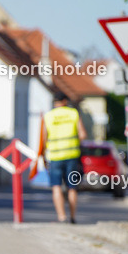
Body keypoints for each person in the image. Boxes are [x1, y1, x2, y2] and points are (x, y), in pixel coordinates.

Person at [43, 93, 87, 224]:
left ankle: (61, 217)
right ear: (65, 101)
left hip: (55, 156)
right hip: (72, 155)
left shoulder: (48, 116)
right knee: (72, 187)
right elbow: (83, 134)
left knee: (56, 186)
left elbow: (44, 139)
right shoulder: (73, 113)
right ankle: (72, 217)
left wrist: (43, 156)